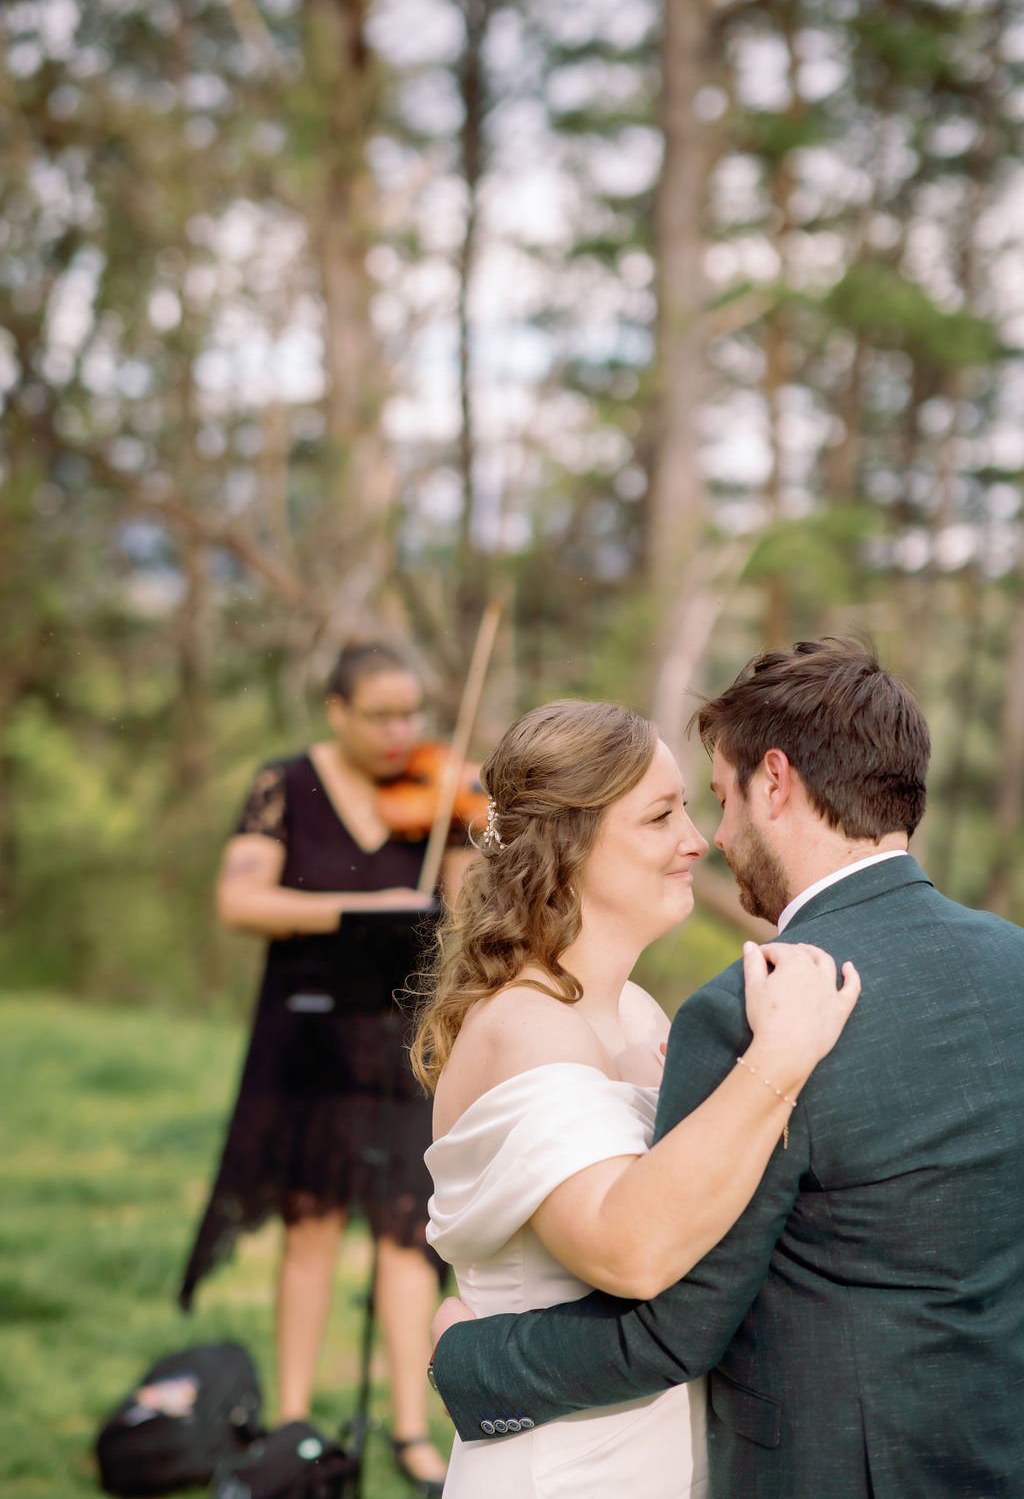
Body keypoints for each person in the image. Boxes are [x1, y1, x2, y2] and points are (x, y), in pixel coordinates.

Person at [429, 641, 1024, 1499]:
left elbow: (674, 1322)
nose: (706, 839)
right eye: (665, 815)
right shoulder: (1008, 961)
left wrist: (467, 1358)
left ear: (774, 781)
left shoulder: (735, 1007)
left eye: (709, 800)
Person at [411, 697, 860, 1498]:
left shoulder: (636, 1013)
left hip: (660, 1453)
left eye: (687, 808)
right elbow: (631, 1249)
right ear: (570, 843)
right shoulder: (526, 1024)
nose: (696, 840)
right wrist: (780, 1059)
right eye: (659, 816)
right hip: (561, 1466)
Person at [180, 642, 470, 1495]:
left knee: (408, 1232)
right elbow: (242, 900)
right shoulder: (284, 784)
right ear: (335, 710)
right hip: (308, 1033)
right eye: (379, 714)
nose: (399, 732)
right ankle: (294, 1418)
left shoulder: (442, 788)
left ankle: (415, 1429)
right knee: (309, 1225)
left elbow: (466, 910)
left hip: (402, 1042)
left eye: (411, 713)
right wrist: (360, 907)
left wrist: (480, 822)